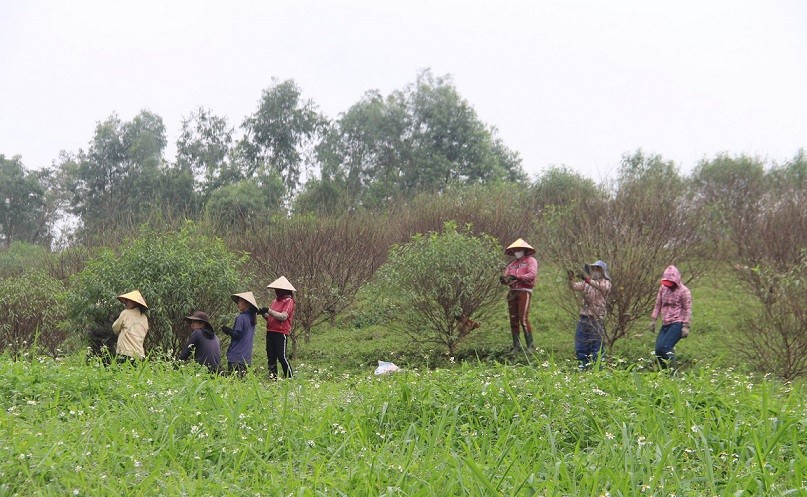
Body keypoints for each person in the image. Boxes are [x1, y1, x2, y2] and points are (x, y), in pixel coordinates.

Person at [568, 260, 612, 371]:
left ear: (603, 271)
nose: (595, 271)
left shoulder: (606, 283)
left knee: (596, 345)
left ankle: (597, 369)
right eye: (593, 269)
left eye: (598, 269)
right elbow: (574, 287)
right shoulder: (587, 284)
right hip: (584, 316)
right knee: (581, 343)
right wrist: (571, 278)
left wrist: (587, 279)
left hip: (596, 318)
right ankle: (583, 367)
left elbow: (601, 287)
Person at [649, 265, 692, 370]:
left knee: (665, 348)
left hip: (677, 323)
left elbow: (687, 309)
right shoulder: (663, 289)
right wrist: (653, 320)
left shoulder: (684, 291)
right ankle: (664, 373)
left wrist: (686, 326)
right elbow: (658, 304)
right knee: (658, 350)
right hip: (665, 323)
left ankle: (674, 373)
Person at [501, 238, 539, 352]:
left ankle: (530, 346)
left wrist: (518, 277)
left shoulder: (531, 261)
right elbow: (507, 277)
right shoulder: (511, 264)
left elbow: (532, 275)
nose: (516, 252)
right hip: (512, 292)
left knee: (523, 318)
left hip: (524, 290)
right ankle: (516, 346)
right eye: (515, 250)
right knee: (513, 319)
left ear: (524, 250)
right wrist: (505, 280)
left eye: (518, 249)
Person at [257, 276, 296, 379]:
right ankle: (272, 378)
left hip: (281, 332)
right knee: (271, 357)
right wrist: (263, 313)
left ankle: (290, 377)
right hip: (270, 331)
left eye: (278, 289)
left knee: (281, 356)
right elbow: (271, 318)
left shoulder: (289, 301)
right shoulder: (275, 301)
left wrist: (269, 311)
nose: (276, 291)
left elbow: (283, 316)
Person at [221, 292, 258, 377]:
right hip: (246, 358)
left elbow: (237, 335)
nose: (238, 303)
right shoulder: (252, 319)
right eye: (238, 301)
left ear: (247, 303)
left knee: (233, 383)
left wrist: (227, 330)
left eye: (241, 301)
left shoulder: (241, 317)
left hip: (236, 356)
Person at [111, 290, 149, 364]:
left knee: (121, 374)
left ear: (135, 302)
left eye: (128, 301)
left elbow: (115, 327)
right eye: (126, 300)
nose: (126, 302)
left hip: (125, 353)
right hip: (140, 355)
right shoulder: (144, 318)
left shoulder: (126, 313)